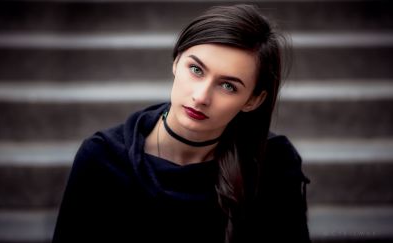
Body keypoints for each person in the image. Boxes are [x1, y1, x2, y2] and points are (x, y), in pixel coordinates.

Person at [52, 4, 311, 243]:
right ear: (176, 61)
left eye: (228, 86)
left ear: (253, 100)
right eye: (196, 70)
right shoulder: (103, 158)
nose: (201, 97)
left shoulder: (273, 163)